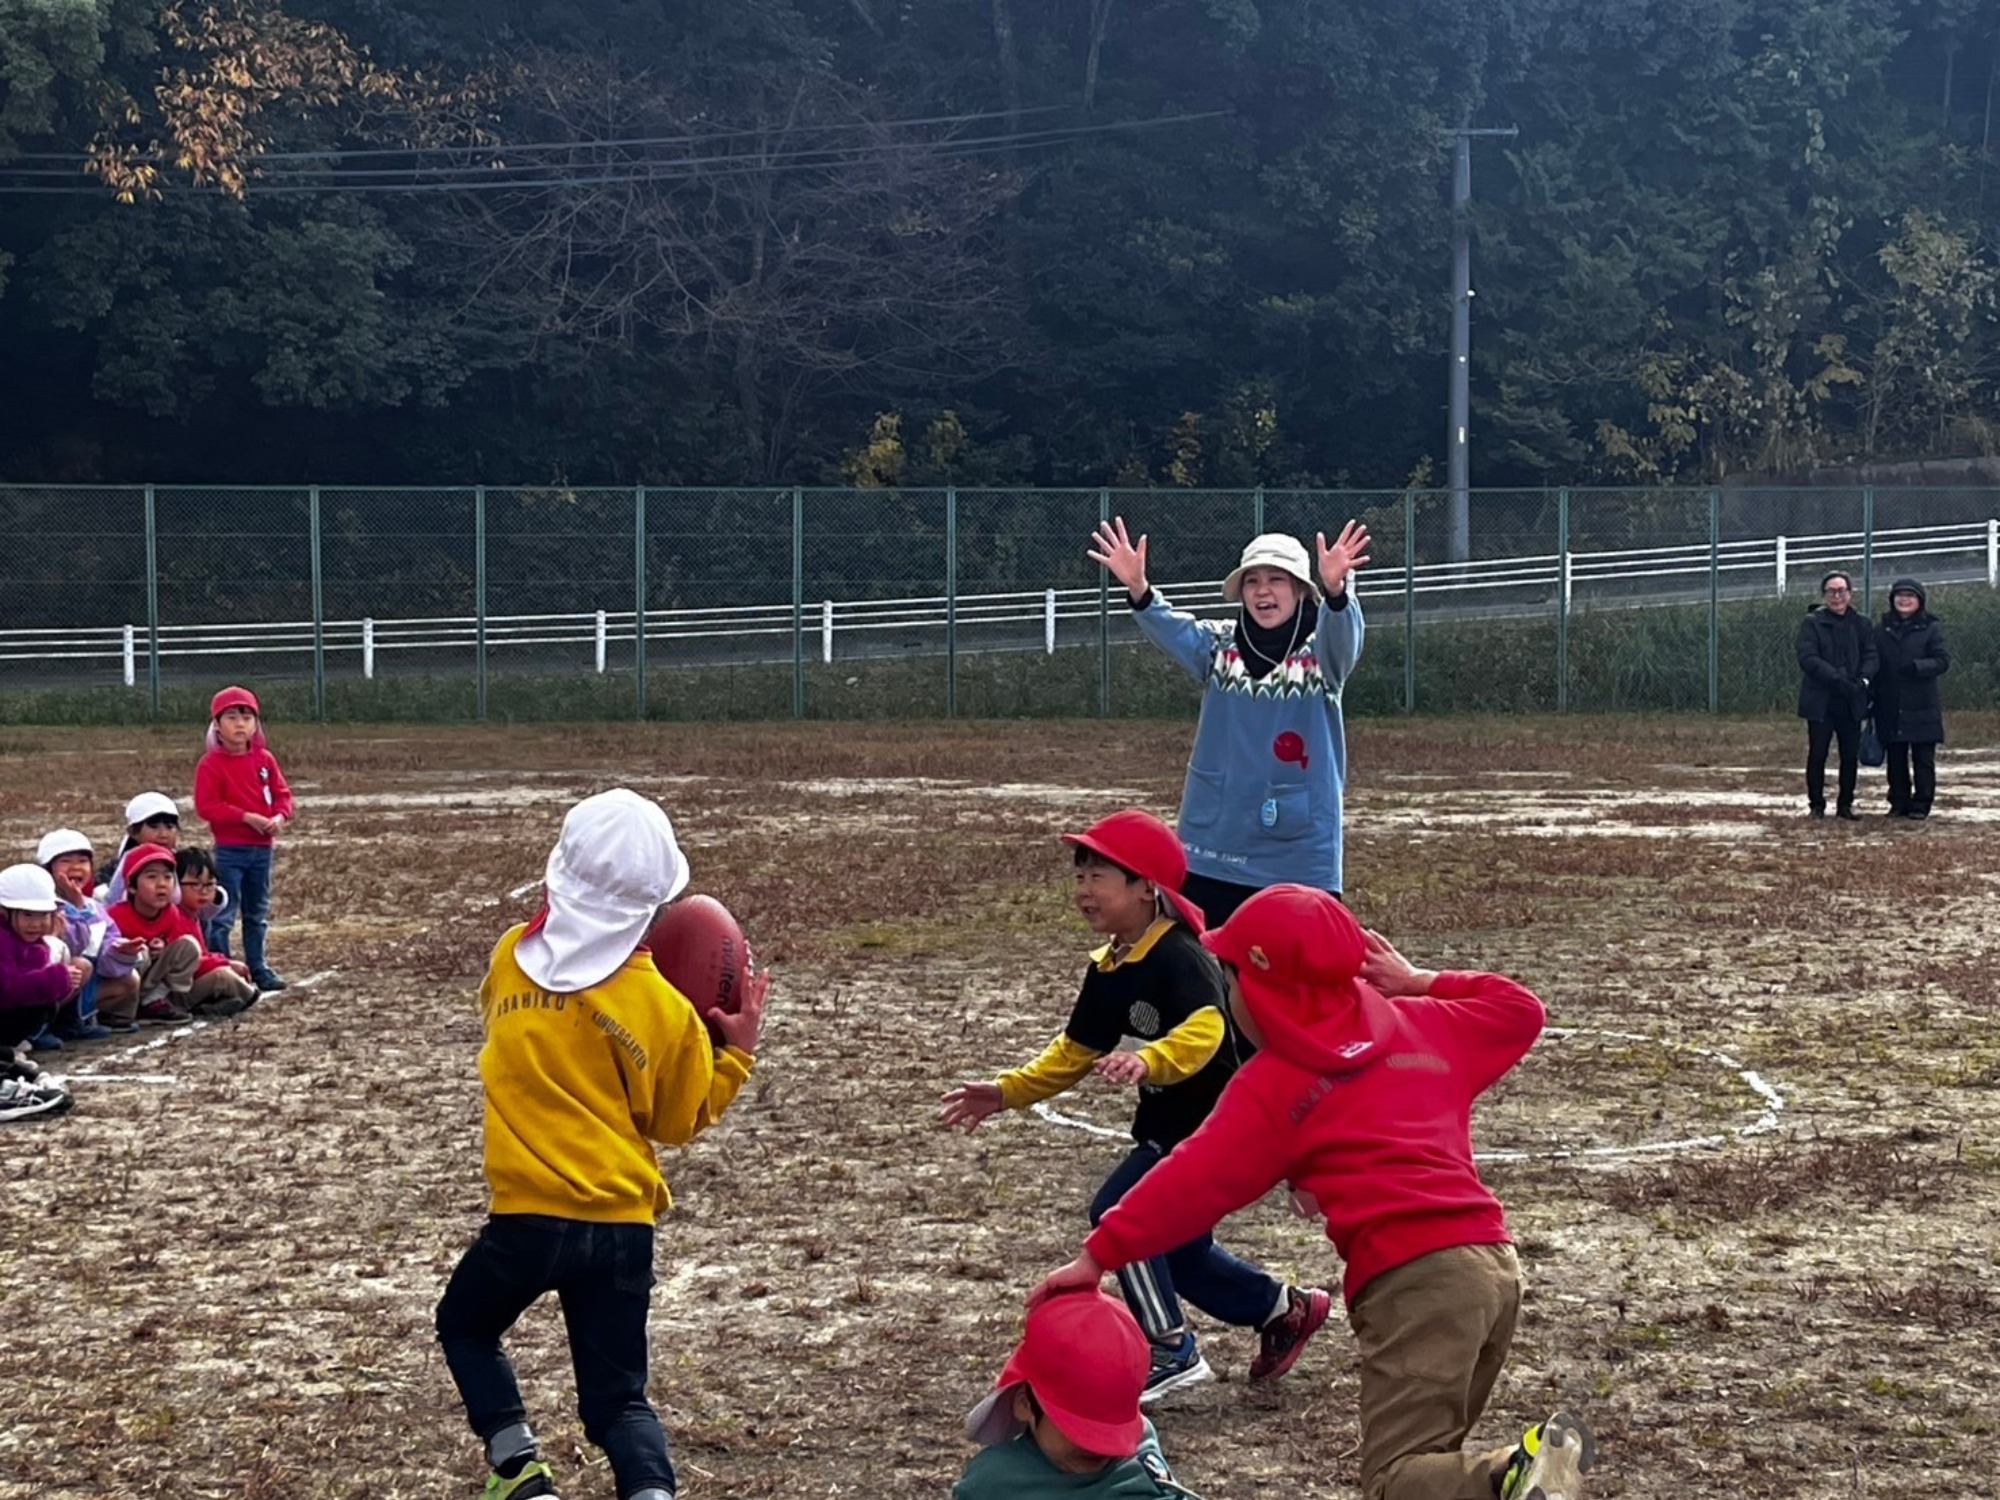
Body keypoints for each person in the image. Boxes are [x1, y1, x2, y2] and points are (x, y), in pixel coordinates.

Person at [1030, 885, 1595, 1500]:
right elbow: (1519, 1008)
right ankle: (1512, 1477)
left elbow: (1187, 1182)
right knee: (1435, 1465)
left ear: (1259, 990)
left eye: (1230, 974)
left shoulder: (1275, 1087)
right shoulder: (1425, 1025)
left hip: (1414, 1283)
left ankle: (1511, 1468)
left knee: (1395, 1478)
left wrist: (1097, 1255)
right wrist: (1417, 981)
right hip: (1493, 1265)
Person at [435, 788, 767, 1500]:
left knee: (464, 1326)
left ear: (558, 871)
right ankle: (650, 1491)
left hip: (525, 1222)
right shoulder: (663, 1007)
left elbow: (513, 1020)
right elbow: (678, 1122)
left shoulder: (508, 961)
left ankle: (521, 1470)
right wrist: (734, 1053)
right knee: (617, 1400)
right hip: (622, 1227)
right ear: (659, 906)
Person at [939, 809, 1330, 1400]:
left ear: (1148, 887)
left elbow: (1206, 1032)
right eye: (1079, 877)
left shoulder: (1181, 955)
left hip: (1212, 1132)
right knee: (1179, 1247)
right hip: (1168, 1130)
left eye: (1100, 876)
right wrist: (1006, 1091)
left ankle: (1171, 1348)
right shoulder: (1111, 968)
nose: (1084, 891)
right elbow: (1074, 1052)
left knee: (1120, 1213)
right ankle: (1283, 1309)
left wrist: (1149, 1060)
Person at [1087, 518, 1370, 925]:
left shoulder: (1321, 658)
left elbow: (1345, 639)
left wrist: (1337, 594)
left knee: (1292, 970)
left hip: (1298, 852)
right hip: (1213, 847)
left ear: (1300, 591)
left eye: (1277, 579)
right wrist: (1139, 590)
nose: (1263, 590)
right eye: (1252, 581)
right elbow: (1172, 630)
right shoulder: (1219, 646)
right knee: (1207, 968)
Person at [954, 1289, 1199, 1500]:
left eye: (1111, 1429)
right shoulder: (995, 1482)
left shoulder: (1142, 1455)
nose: (1098, 1449)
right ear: (1024, 1403)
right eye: (1081, 1431)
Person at [193, 685, 294, 991]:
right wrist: (246, 817)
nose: (240, 724)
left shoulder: (264, 760)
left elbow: (282, 795)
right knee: (223, 910)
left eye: (247, 717)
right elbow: (207, 806)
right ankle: (222, 966)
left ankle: (258, 966)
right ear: (217, 725)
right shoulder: (210, 764)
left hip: (262, 850)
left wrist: (279, 817)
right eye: (232, 717)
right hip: (230, 850)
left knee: (257, 912)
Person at [0, 863, 84, 1121]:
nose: (37, 924)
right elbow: (6, 991)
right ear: (4, 912)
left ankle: (8, 1069)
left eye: (43, 915)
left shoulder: (23, 942)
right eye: (27, 915)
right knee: (35, 1004)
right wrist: (56, 977)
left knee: (41, 1005)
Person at [38, 828, 138, 1037]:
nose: (76, 867)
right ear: (48, 869)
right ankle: (44, 1024)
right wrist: (76, 907)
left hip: (83, 982)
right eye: (65, 861)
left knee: (130, 979)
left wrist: (122, 950)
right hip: (48, 979)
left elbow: (108, 941)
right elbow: (73, 945)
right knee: (79, 966)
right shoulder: (41, 907)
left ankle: (80, 1018)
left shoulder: (93, 906)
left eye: (83, 861)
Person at [1796, 570, 1877, 821]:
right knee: (1818, 753)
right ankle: (1817, 805)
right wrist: (1836, 678)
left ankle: (1845, 805)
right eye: (1831, 591)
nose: (1837, 596)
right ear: (1824, 595)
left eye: (1841, 591)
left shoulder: (1862, 624)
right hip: (1821, 700)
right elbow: (1808, 658)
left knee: (1849, 755)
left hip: (1852, 699)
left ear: (1850, 594)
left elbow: (1872, 656)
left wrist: (1862, 680)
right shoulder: (1812, 623)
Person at [1872, 578, 1950, 821]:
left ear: (1920, 601)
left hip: (1922, 703)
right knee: (1895, 757)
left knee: (1923, 758)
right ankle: (1898, 801)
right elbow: (1873, 661)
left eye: (1910, 596)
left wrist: (1917, 667)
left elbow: (1942, 661)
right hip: (1890, 702)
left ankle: (1921, 803)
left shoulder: (1931, 628)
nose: (1904, 600)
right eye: (1900, 595)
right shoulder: (1881, 629)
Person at [105, 844, 207, 1025]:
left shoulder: (171, 913)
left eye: (168, 877)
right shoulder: (115, 916)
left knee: (188, 946)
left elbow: (168, 943)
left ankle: (153, 1001)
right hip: (121, 982)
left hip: (148, 979)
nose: (161, 884)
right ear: (131, 886)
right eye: (151, 877)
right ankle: (119, 1012)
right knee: (139, 952)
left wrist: (162, 945)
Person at [96, 790, 185, 905]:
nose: (163, 834)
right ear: (133, 831)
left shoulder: (184, 863)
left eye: (170, 827)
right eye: (154, 827)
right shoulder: (115, 869)